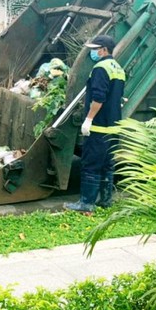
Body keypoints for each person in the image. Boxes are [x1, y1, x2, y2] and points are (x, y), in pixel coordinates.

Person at [64, 34, 125, 214]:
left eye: (95, 49)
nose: (93, 52)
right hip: (114, 127)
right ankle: (105, 200)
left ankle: (86, 203)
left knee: (91, 164)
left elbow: (98, 98)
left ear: (104, 50)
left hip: (99, 127)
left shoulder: (100, 68)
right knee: (107, 164)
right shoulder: (118, 68)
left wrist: (89, 119)